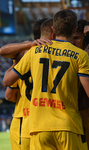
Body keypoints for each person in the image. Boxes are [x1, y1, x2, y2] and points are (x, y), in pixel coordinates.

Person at [3, 9, 89, 150]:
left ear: (54, 29)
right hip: (68, 125)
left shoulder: (35, 51)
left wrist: (25, 50)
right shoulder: (80, 55)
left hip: (39, 127)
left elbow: (6, 81)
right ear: (74, 29)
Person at [3, 18, 54, 150]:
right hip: (49, 118)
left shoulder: (25, 54)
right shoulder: (57, 55)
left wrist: (23, 51)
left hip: (25, 118)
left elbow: (9, 95)